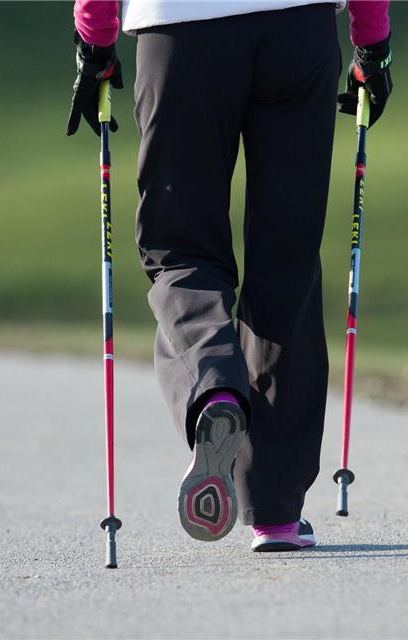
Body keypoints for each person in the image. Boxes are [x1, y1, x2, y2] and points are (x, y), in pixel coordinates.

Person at [67, 0, 391, 552]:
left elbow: (97, 21)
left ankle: (213, 387)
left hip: (180, 34)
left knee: (181, 250)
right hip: (298, 30)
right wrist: (372, 43)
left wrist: (95, 41)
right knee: (286, 257)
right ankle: (275, 510)